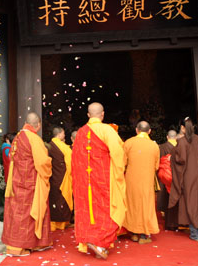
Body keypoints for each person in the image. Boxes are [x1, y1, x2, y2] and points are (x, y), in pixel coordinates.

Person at [71, 103, 126, 260]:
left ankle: (91, 240)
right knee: (106, 210)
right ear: (102, 115)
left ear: (88, 115)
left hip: (83, 182)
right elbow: (118, 154)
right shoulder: (107, 130)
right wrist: (119, 172)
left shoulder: (80, 133)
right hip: (103, 180)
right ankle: (100, 243)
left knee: (88, 210)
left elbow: (74, 159)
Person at [2, 112, 52, 257]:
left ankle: (26, 244)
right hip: (30, 182)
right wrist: (49, 165)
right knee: (26, 214)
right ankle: (17, 248)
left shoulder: (17, 137)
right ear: (38, 125)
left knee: (16, 212)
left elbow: (12, 157)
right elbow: (43, 162)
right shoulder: (34, 139)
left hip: (16, 180)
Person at [169, 117, 198, 241]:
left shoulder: (182, 141)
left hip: (188, 175)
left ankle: (195, 234)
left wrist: (173, 153)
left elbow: (180, 160)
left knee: (189, 202)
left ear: (182, 128)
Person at [122, 121, 160, 244]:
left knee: (132, 204)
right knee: (146, 205)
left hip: (131, 180)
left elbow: (123, 163)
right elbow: (156, 166)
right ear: (149, 131)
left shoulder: (128, 143)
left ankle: (133, 233)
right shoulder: (154, 146)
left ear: (136, 130)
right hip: (147, 180)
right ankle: (144, 235)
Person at [47, 126, 73, 231]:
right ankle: (61, 224)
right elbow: (70, 163)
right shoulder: (63, 147)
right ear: (59, 134)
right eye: (63, 134)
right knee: (61, 199)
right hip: (62, 177)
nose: (64, 135)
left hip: (53, 177)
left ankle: (59, 223)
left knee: (56, 199)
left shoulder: (49, 146)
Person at [157, 130, 178, 230]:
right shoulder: (180, 146)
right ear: (176, 137)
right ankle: (178, 222)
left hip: (165, 176)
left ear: (167, 137)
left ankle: (168, 220)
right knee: (176, 197)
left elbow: (158, 161)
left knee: (166, 197)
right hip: (177, 176)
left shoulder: (162, 147)